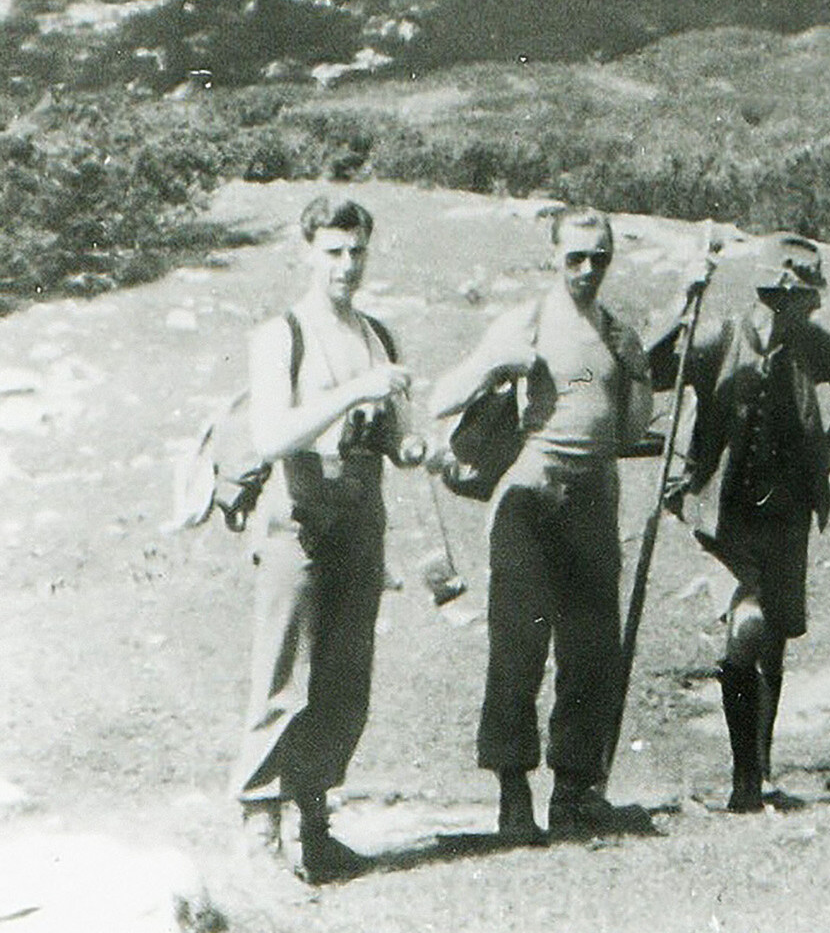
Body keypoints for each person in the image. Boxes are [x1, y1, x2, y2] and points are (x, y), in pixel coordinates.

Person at [431, 206, 655, 844]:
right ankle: (512, 796)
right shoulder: (522, 322)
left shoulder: (613, 333)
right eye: (575, 257)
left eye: (600, 258)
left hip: (591, 506)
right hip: (527, 506)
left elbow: (626, 426)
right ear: (553, 255)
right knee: (518, 653)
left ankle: (573, 795)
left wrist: (635, 374)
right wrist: (497, 366)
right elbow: (440, 398)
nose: (588, 270)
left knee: (590, 654)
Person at [232, 196, 426, 882]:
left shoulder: (377, 334)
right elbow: (272, 436)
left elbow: (400, 434)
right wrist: (353, 395)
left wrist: (414, 443)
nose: (347, 265)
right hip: (299, 522)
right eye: (335, 251)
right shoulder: (281, 334)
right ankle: (260, 824)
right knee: (284, 676)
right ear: (307, 251)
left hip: (360, 521)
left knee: (346, 680)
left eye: (358, 251)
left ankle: (315, 825)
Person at [656, 232, 830, 814]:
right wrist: (684, 301)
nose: (814, 309)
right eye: (807, 298)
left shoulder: (810, 344)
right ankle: (741, 777)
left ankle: (758, 770)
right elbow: (656, 368)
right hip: (722, 511)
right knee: (747, 624)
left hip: (785, 514)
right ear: (779, 295)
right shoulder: (719, 336)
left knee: (774, 640)